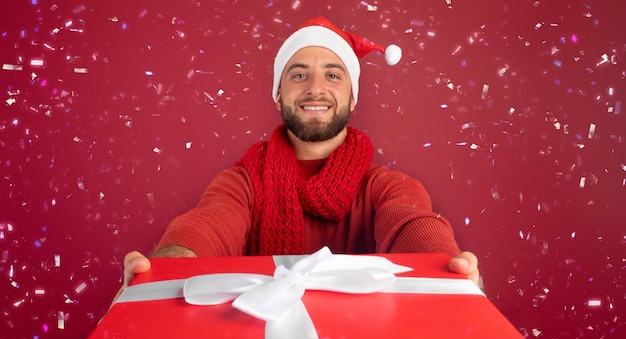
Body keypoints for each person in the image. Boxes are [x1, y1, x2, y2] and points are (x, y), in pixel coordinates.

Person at [113, 17, 480, 304]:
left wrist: (449, 269)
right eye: (299, 74)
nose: (315, 88)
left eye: (333, 76)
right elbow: (209, 225)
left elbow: (411, 226)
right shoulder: (241, 183)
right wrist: (161, 271)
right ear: (279, 95)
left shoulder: (389, 188)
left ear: (353, 99)